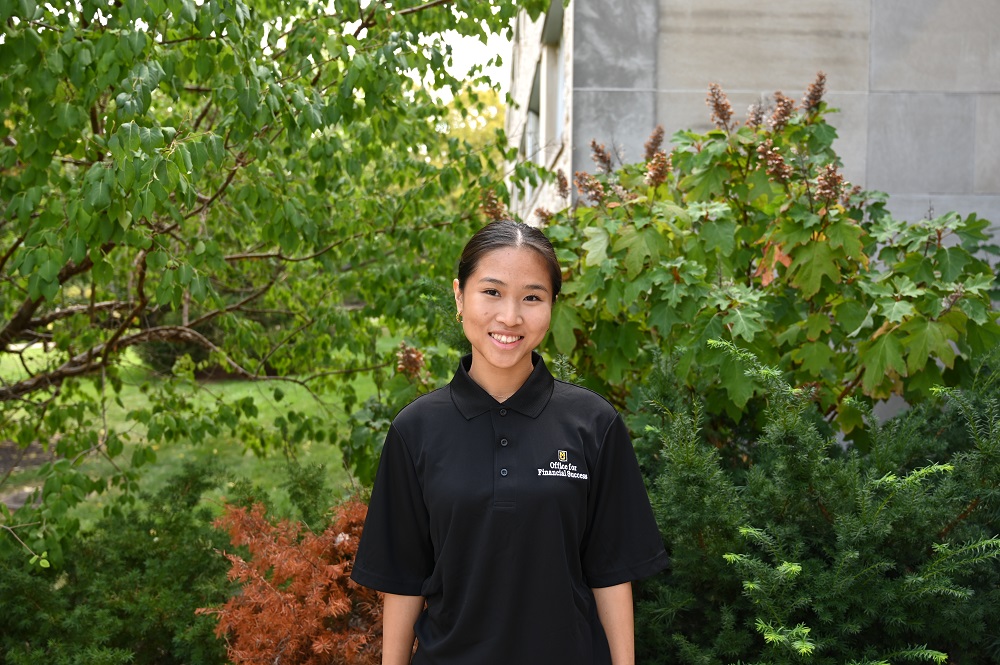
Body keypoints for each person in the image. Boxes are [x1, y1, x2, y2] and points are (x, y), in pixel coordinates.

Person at [351, 219, 669, 665]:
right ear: (459, 296)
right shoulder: (415, 429)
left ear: (552, 305)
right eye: (492, 292)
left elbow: (611, 575)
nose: (510, 317)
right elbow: (403, 581)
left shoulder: (594, 424)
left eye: (532, 297)